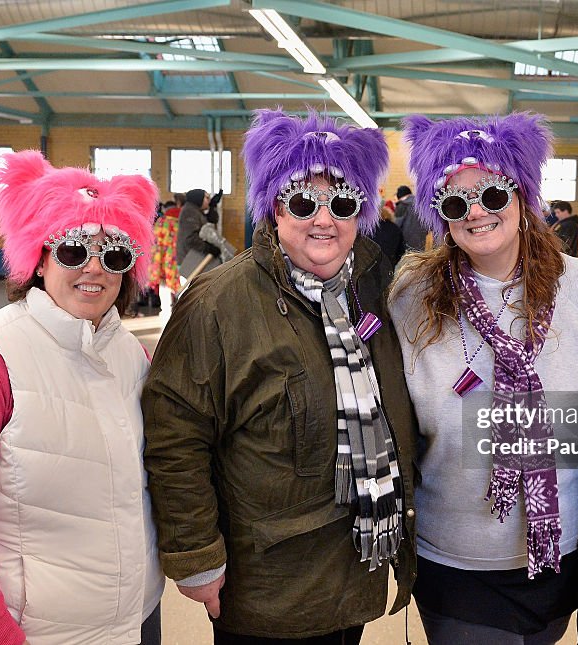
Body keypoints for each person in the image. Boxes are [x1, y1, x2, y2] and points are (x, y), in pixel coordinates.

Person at [141, 110, 419, 644]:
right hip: (269, 584)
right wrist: (198, 557)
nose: (324, 220)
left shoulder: (372, 283)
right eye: (303, 203)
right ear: (274, 207)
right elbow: (175, 435)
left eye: (342, 205)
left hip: (355, 570)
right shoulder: (219, 302)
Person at [0, 150, 164, 645]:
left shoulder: (129, 355)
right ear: (40, 258)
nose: (94, 269)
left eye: (114, 256)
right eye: (72, 250)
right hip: (39, 633)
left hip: (134, 619)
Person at [389, 113, 578, 644]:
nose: (476, 212)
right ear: (439, 216)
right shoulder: (410, 298)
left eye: (493, 195)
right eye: (455, 202)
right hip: (455, 559)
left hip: (555, 554)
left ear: (521, 197)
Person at [176, 188, 220, 278]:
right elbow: (190, 239)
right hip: (189, 259)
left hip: (194, 258)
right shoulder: (189, 212)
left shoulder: (195, 210)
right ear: (199, 198)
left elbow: (212, 219)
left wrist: (212, 206)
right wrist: (208, 248)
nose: (209, 200)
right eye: (207, 198)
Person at [395, 184, 429, 252]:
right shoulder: (421, 205)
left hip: (405, 242)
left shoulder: (402, 205)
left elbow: (397, 226)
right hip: (421, 240)